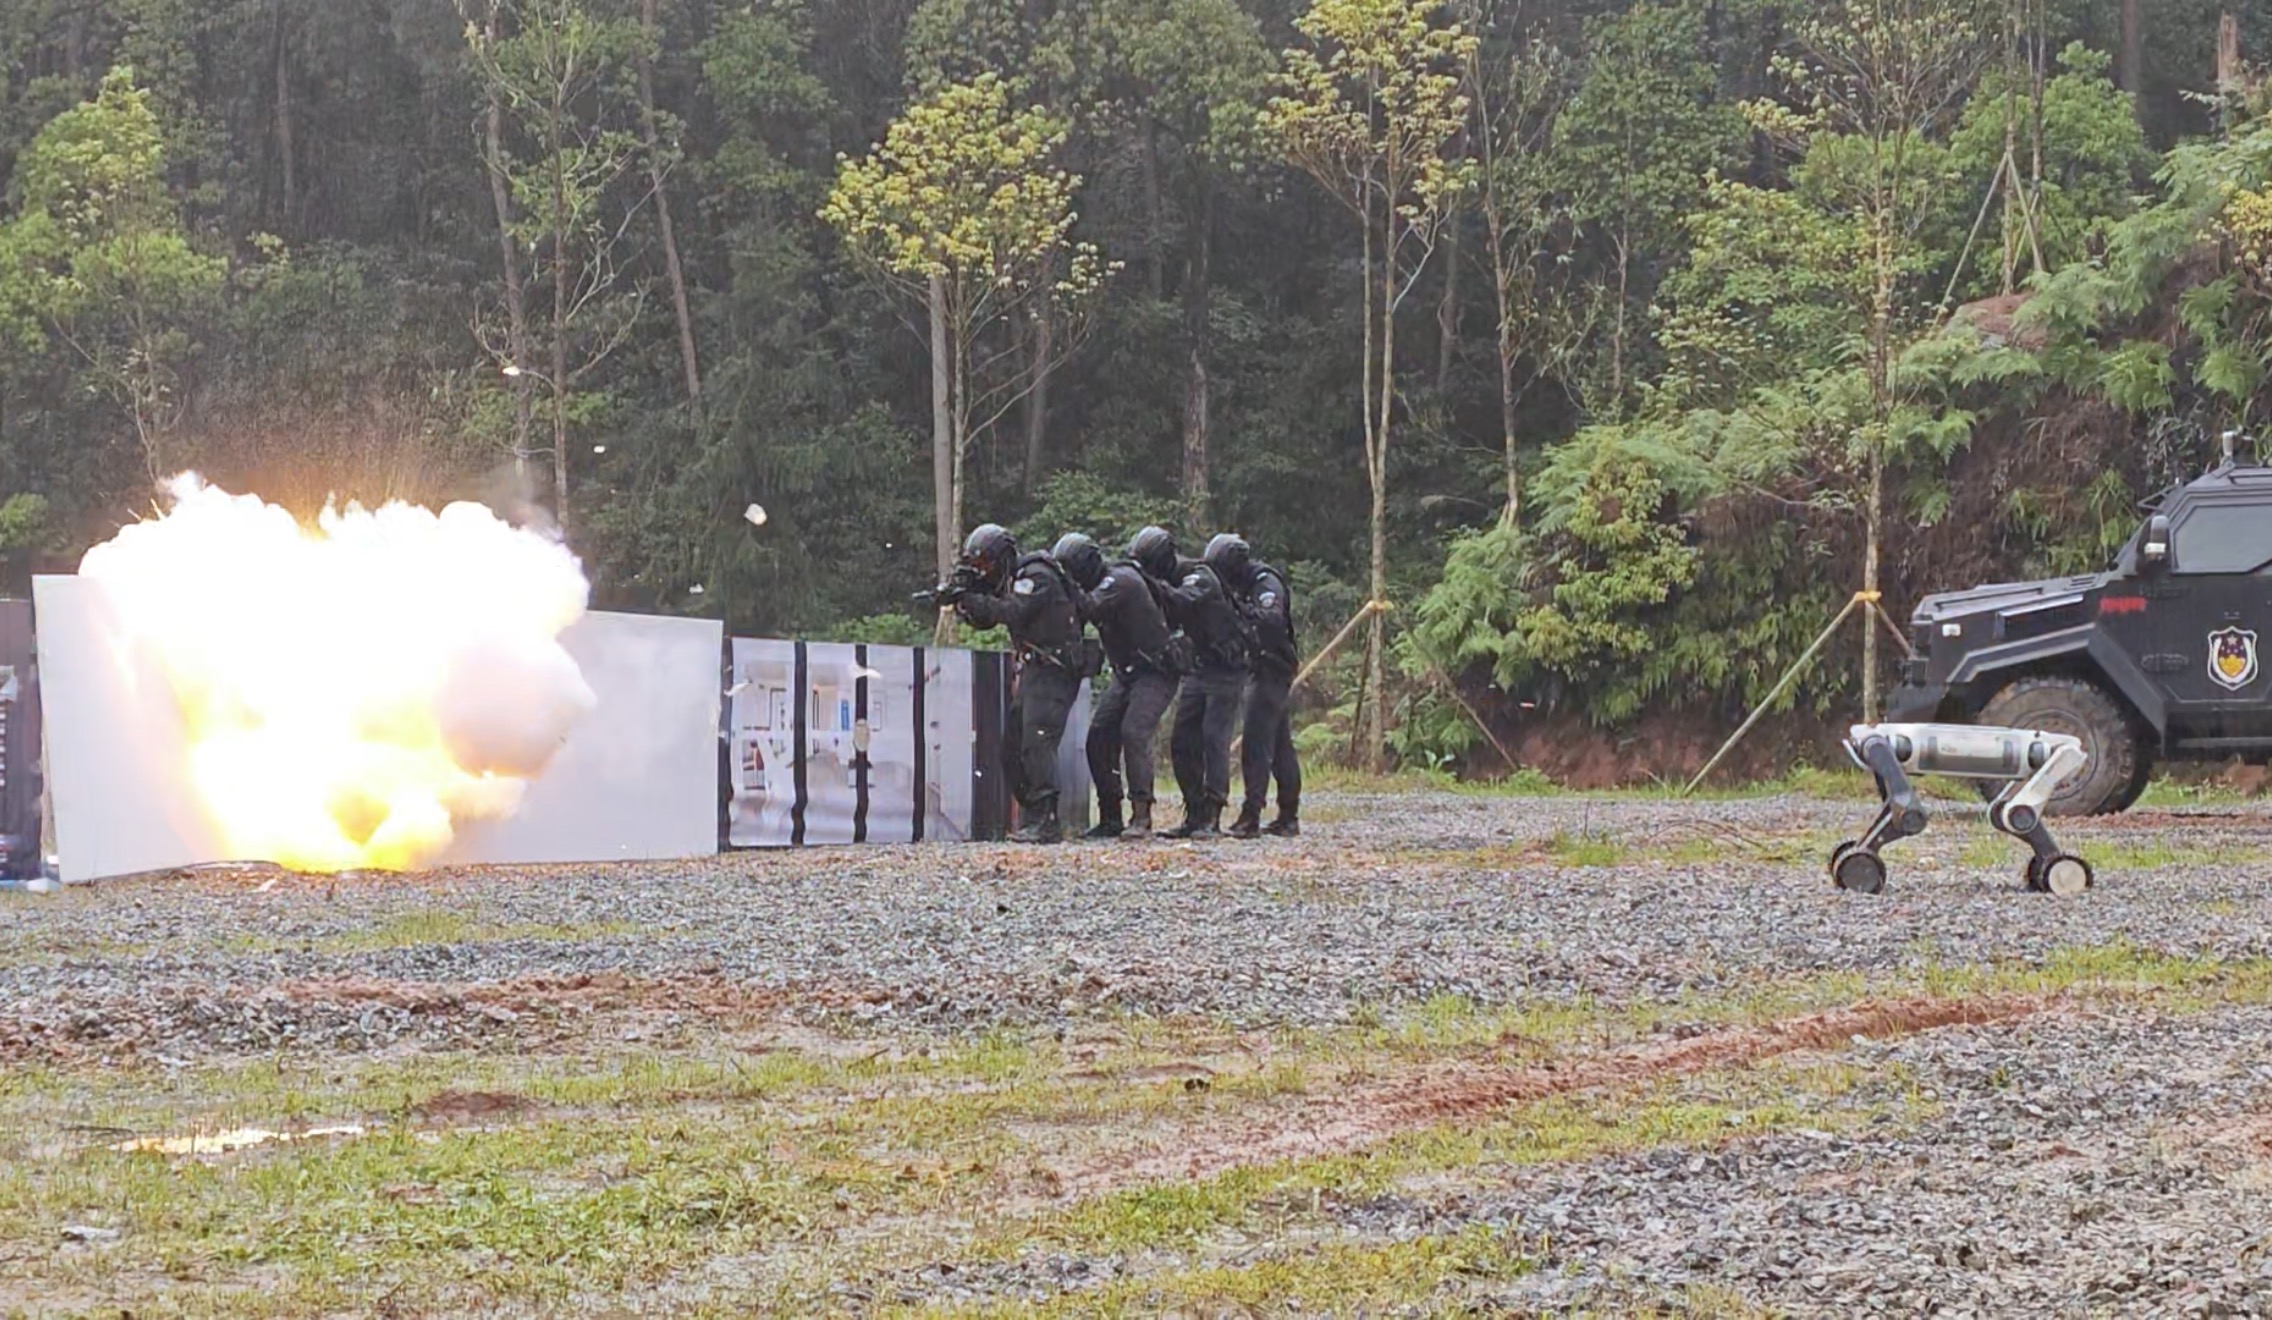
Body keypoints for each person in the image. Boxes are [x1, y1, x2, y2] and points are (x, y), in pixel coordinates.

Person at [952, 523, 1082, 844]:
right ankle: (1033, 815)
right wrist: (963, 602)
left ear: (1003, 558)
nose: (984, 571)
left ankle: (1048, 821)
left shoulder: (1036, 576)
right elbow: (987, 619)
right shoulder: (1011, 581)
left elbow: (1012, 611)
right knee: (1012, 747)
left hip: (1055, 668)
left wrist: (973, 598)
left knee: (1038, 740)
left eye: (986, 563)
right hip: (1035, 670)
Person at [1053, 532, 1179, 840]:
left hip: (1156, 671)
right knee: (1098, 738)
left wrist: (1063, 586)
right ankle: (1111, 816)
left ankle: (1142, 816)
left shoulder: (1120, 580)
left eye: (1070, 572)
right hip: (1126, 675)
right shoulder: (1101, 585)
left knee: (1134, 732)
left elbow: (1089, 607)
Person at [1131, 526, 1247, 839]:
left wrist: (1146, 583)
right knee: (1182, 741)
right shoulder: (1172, 578)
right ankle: (1194, 812)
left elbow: (1181, 600)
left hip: (1227, 668)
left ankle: (1213, 814)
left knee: (1214, 739)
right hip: (1201, 667)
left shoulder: (1198, 576)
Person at [1207, 533, 1301, 838]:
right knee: (1280, 743)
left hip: (1273, 667)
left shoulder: (1264, 582)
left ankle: (1252, 815)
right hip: (1261, 666)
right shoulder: (1243, 584)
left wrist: (1239, 609)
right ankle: (1288, 815)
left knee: (1256, 741)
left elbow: (1271, 620)